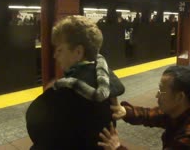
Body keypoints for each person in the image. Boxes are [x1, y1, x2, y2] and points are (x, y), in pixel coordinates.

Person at [26, 15, 125, 149]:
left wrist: (50, 94)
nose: (55, 55)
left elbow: (36, 129)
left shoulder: (63, 95)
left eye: (60, 50)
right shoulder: (109, 85)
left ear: (78, 52)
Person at [98, 66, 190, 150]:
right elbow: (151, 115)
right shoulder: (185, 111)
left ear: (180, 97)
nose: (157, 95)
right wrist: (125, 112)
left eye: (161, 91)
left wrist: (117, 148)